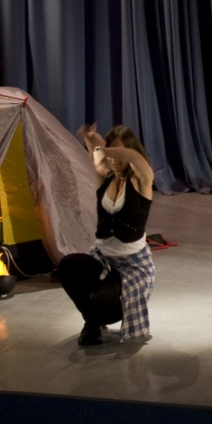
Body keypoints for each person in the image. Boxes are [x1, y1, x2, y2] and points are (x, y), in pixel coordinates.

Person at [57, 124, 155, 346]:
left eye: (119, 153)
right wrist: (91, 139)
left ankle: (96, 316)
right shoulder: (105, 177)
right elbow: (96, 153)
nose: (114, 160)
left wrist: (104, 149)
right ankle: (91, 322)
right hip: (104, 261)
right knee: (68, 266)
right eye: (111, 154)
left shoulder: (141, 181)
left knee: (102, 309)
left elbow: (134, 157)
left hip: (132, 268)